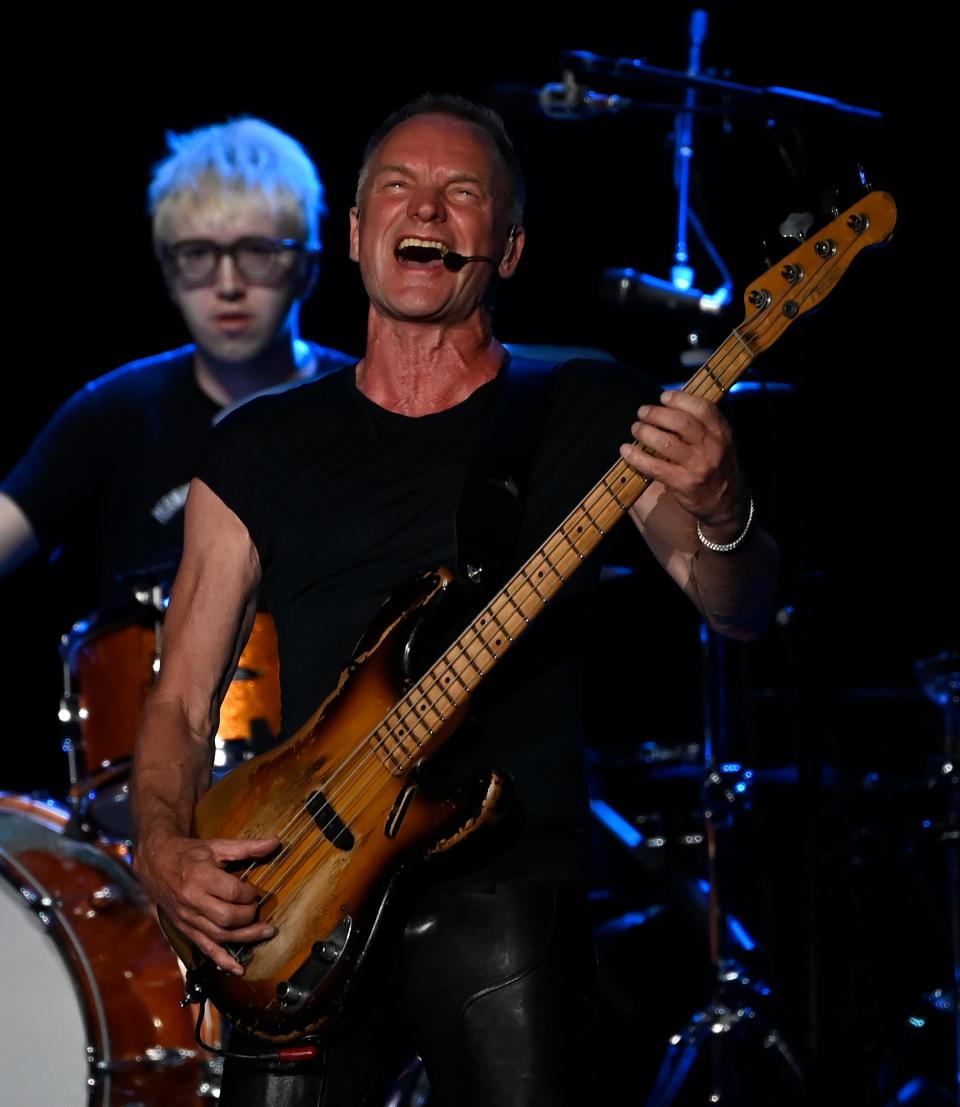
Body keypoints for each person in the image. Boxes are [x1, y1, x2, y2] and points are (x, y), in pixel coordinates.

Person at [130, 94, 779, 1106]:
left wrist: (727, 508)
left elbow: (733, 607)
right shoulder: (256, 445)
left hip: (507, 887)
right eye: (399, 187)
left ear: (508, 248)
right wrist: (161, 844)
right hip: (302, 890)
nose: (425, 210)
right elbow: (178, 697)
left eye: (461, 194)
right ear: (353, 235)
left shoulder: (587, 403)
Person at [0, 116, 355, 607]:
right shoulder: (114, 410)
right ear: (169, 273)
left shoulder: (371, 402)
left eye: (256, 251)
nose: (227, 284)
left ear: (307, 267)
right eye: (198, 254)